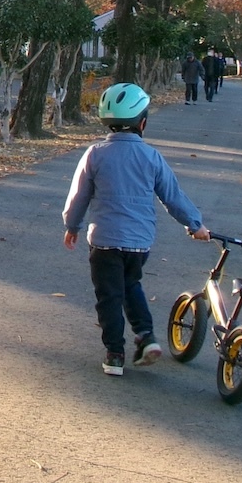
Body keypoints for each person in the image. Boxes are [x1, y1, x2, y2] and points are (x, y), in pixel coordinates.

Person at [64, 83, 210, 376]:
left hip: (104, 241)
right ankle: (145, 336)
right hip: (139, 243)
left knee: (109, 296)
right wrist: (195, 224)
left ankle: (115, 354)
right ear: (142, 122)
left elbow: (79, 195)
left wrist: (72, 225)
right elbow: (173, 196)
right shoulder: (152, 156)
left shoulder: (95, 154)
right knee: (131, 285)